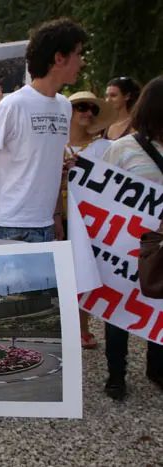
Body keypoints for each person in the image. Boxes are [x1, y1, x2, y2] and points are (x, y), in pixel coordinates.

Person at [0, 18, 87, 246]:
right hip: (12, 227)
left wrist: (56, 216)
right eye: (78, 54)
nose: (82, 63)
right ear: (59, 58)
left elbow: (49, 164)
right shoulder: (13, 105)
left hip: (47, 226)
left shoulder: (64, 106)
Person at [100, 75, 163, 400]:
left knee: (160, 304)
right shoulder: (122, 149)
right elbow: (102, 195)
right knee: (120, 310)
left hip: (159, 246)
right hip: (125, 246)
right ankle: (116, 374)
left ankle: (157, 366)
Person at [60, 91, 115, 349]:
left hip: (89, 220)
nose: (87, 112)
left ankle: (83, 328)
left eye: (93, 109)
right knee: (59, 275)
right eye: (81, 106)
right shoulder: (51, 144)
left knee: (82, 272)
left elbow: (114, 187)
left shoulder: (105, 148)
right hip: (53, 216)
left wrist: (84, 171)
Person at [103, 76, 141, 141]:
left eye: (113, 95)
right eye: (107, 96)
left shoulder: (135, 125)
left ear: (127, 96)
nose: (108, 100)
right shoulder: (104, 124)